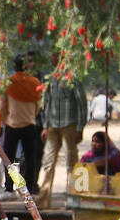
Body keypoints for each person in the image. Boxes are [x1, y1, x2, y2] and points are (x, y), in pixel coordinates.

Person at [37, 71, 87, 208]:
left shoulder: (73, 77)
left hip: (69, 124)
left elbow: (82, 103)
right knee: (48, 162)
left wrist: (80, 126)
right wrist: (45, 126)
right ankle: (44, 200)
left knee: (71, 163)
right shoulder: (50, 78)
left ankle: (72, 199)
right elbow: (46, 103)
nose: (54, 58)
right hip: (52, 126)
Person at [0, 56, 43, 193]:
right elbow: (38, 105)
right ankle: (29, 187)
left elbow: (2, 106)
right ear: (26, 67)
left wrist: (7, 120)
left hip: (12, 125)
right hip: (29, 125)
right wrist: (31, 116)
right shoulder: (35, 82)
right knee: (30, 158)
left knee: (9, 159)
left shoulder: (8, 83)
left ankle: (8, 186)